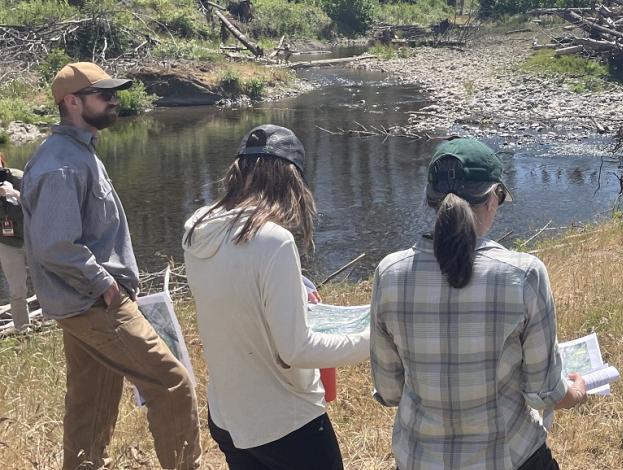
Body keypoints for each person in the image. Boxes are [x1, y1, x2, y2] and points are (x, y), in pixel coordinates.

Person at [370, 137, 588, 470]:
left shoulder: (389, 273)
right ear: (491, 200)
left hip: (417, 459)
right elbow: (545, 392)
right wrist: (576, 391)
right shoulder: (524, 274)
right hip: (509, 458)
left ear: (431, 200)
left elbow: (390, 391)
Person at [23, 62, 200, 469]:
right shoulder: (61, 164)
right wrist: (106, 285)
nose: (114, 99)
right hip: (96, 304)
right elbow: (55, 246)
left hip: (85, 303)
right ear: (71, 101)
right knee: (172, 384)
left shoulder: (78, 151)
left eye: (113, 92)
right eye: (104, 94)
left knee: (92, 401)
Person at [183, 124, 370, 469]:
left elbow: (235, 296)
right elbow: (296, 349)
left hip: (227, 415)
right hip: (285, 421)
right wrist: (373, 338)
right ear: (292, 181)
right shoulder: (274, 241)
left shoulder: (198, 229)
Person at [0, 151, 30, 331]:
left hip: (31, 238)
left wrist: (15, 193)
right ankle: (23, 331)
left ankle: (56, 320)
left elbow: (39, 203)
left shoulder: (19, 177)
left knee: (46, 281)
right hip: (7, 242)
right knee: (17, 289)